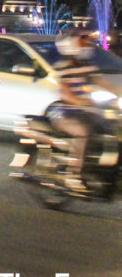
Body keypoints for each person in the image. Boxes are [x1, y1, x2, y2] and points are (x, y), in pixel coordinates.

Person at [50, 33, 102, 192]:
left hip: (84, 112)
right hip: (63, 113)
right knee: (83, 133)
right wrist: (84, 102)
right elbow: (66, 95)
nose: (86, 48)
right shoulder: (62, 68)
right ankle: (73, 175)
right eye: (82, 45)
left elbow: (102, 82)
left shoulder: (87, 67)